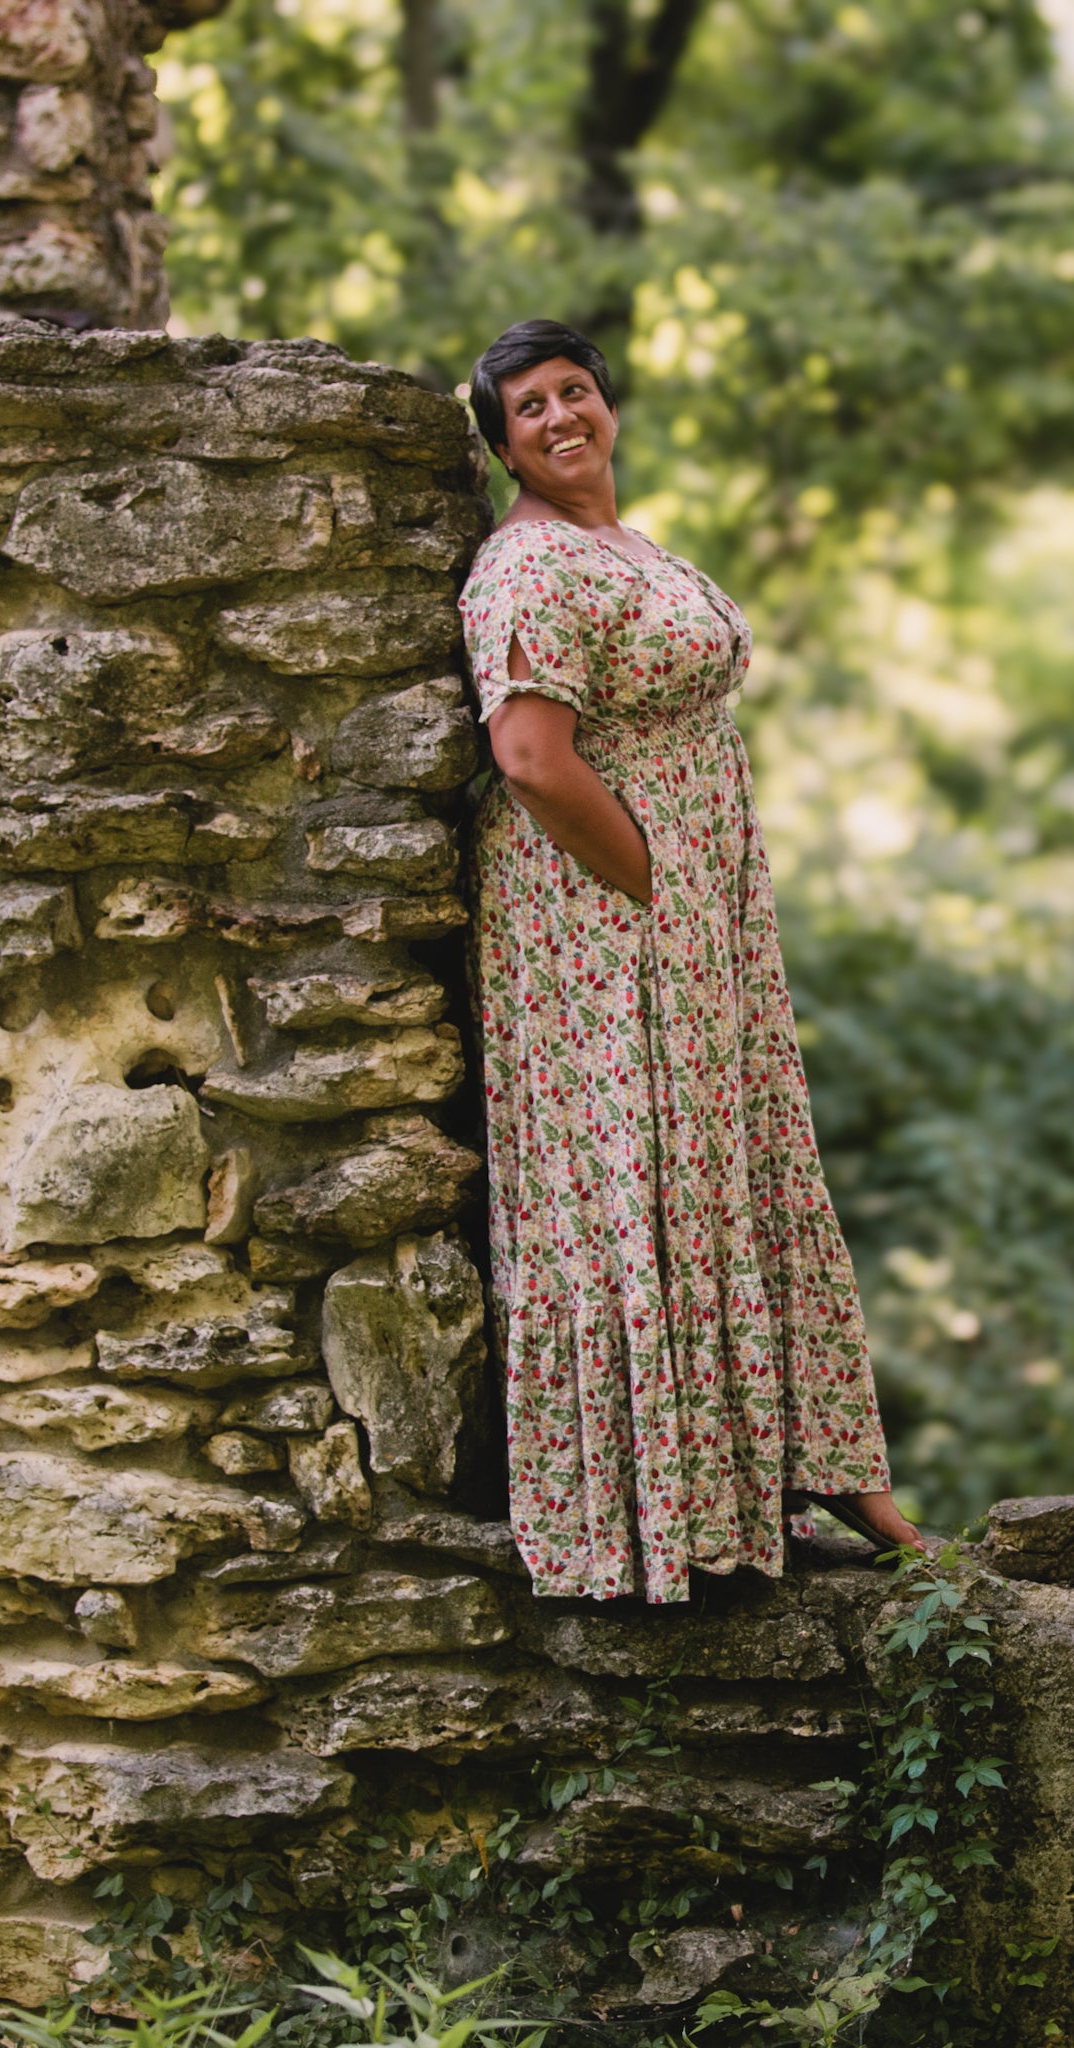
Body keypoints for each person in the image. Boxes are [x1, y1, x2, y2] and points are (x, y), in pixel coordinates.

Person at [459, 317, 921, 1605]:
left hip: (698, 914)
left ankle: (793, 1467)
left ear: (606, 401)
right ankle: (669, 1510)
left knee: (731, 1163)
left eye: (574, 391)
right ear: (504, 446)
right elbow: (535, 761)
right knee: (644, 1184)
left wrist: (706, 899)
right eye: (528, 409)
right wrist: (657, 887)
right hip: (607, 923)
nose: (560, 418)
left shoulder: (628, 547)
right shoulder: (526, 568)